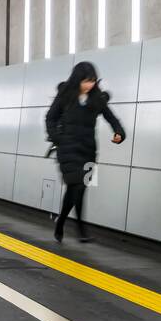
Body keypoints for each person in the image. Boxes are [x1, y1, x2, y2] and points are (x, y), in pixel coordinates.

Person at [44, 61, 125, 243]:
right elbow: (50, 117)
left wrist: (119, 132)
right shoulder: (65, 95)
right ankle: (79, 228)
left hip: (88, 150)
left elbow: (111, 118)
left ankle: (62, 222)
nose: (89, 85)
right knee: (77, 185)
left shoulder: (97, 98)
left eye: (93, 81)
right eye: (86, 81)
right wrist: (58, 139)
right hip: (67, 149)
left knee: (80, 190)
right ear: (77, 79)